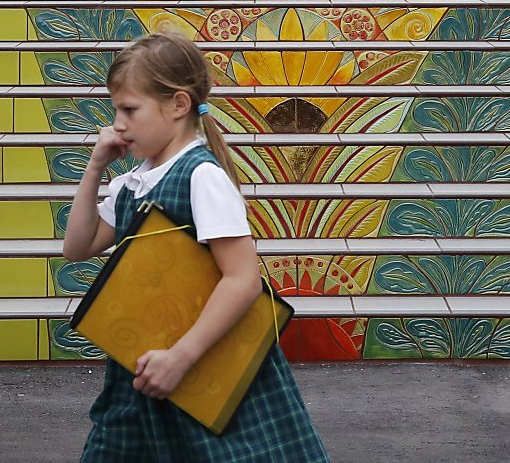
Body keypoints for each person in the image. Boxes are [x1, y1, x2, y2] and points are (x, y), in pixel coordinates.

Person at [67, 29, 331, 463]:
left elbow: (243, 279)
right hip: (143, 373)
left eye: (130, 110)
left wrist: (180, 357)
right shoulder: (132, 184)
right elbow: (78, 246)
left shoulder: (200, 177)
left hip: (198, 365)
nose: (118, 123)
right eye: (116, 110)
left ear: (177, 105)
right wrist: (95, 166)